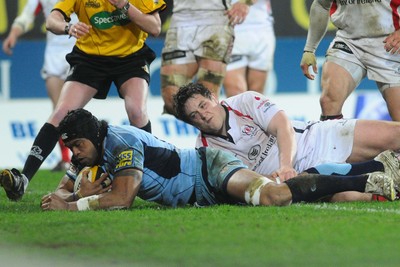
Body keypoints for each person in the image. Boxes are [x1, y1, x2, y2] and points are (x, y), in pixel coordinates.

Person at [40, 108, 397, 211]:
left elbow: (122, 198)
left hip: (208, 170)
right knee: (278, 191)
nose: (74, 155)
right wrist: (69, 194)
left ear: (91, 137)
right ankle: (374, 170)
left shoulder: (121, 141)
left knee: (275, 195)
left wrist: (74, 205)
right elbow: (64, 188)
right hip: (203, 194)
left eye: (77, 147)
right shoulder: (92, 153)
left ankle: (368, 176)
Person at [0, 0, 166, 201]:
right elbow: (52, 21)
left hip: (130, 57)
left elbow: (155, 27)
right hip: (90, 58)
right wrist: (68, 27)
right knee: (60, 113)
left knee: (137, 111)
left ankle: (147, 177)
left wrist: (124, 4)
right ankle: (23, 180)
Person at [174, 83, 400, 183]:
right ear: (191, 123)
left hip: (316, 140)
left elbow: (283, 126)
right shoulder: (204, 150)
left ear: (214, 97)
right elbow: (235, 181)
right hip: (299, 179)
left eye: (203, 105)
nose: (202, 115)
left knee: (394, 135)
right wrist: (270, 179)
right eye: (194, 115)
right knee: (353, 194)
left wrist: (285, 165)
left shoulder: (244, 101)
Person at [2, 0, 78, 171]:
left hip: (80, 49)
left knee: (74, 111)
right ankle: (66, 159)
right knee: (58, 109)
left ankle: (80, 157)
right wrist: (13, 34)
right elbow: (26, 16)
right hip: (54, 55)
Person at [300, 0, 400, 121]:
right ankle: (332, 139)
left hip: (391, 42)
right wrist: (309, 49)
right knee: (328, 101)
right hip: (349, 40)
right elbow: (321, 5)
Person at [160, 0, 253, 115]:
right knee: (171, 99)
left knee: (207, 97)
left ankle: (212, 131)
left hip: (216, 19)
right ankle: (209, 128)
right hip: (180, 19)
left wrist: (245, 2)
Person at [223, 0, 275, 97]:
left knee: (256, 95)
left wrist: (246, 2)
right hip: (230, 27)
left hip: (261, 28)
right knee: (235, 93)